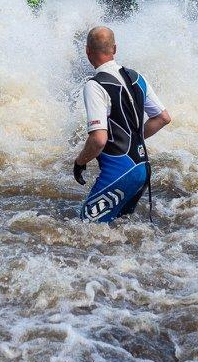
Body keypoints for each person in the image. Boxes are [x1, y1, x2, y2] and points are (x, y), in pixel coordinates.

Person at [73, 26, 171, 223]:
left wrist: (80, 162)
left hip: (119, 172)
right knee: (120, 231)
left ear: (87, 51)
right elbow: (163, 118)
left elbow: (99, 139)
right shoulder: (137, 77)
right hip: (142, 169)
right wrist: (136, 139)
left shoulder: (95, 85)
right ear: (115, 49)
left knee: (85, 228)